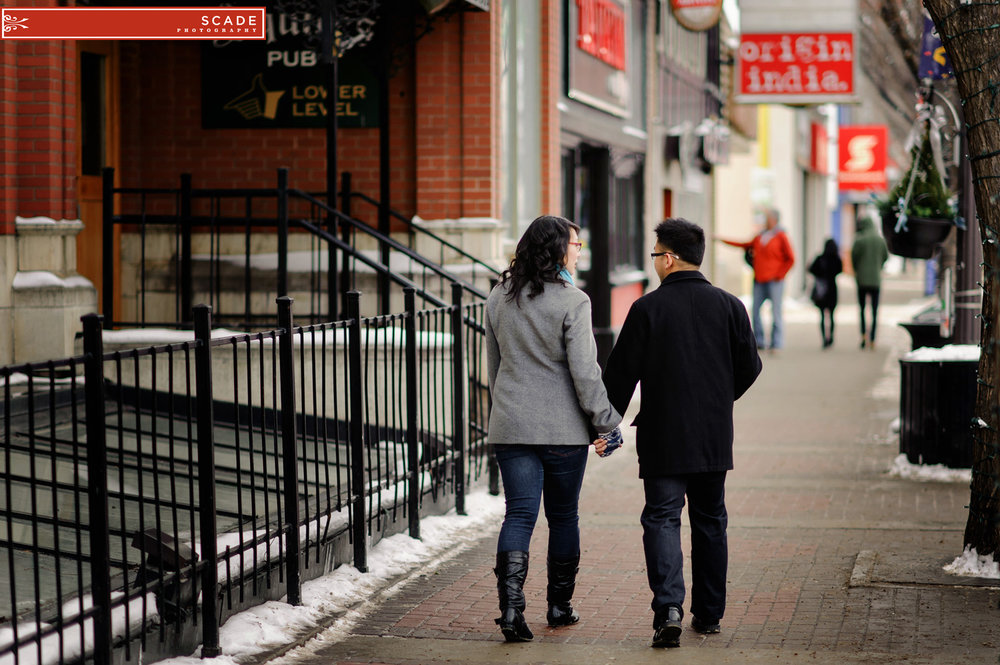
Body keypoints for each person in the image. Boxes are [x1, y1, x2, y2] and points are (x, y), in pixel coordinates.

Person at [602, 218, 762, 648]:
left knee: (661, 518)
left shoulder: (647, 309)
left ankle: (668, 608)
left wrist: (603, 423)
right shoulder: (730, 306)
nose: (654, 261)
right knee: (710, 521)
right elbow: (751, 367)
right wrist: (716, 401)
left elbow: (620, 376)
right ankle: (709, 615)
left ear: (669, 258)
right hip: (712, 436)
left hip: (663, 435)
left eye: (656, 254)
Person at [484, 214, 623, 643]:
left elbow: (495, 367)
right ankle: (559, 606)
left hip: (511, 426)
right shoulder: (573, 300)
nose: (580, 251)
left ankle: (511, 611)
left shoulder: (498, 296)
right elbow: (585, 371)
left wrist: (506, 408)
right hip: (562, 431)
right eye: (575, 244)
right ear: (557, 249)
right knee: (563, 516)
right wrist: (606, 422)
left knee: (519, 514)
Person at [716, 208, 795, 352]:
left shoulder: (781, 236)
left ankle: (776, 343)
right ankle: (759, 340)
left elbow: (790, 259)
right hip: (759, 279)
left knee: (776, 312)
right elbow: (744, 245)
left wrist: (780, 275)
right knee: (755, 311)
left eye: (767, 218)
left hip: (775, 281)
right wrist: (722, 240)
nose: (765, 221)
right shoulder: (760, 236)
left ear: (774, 220)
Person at [851, 216, 889, 350]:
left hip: (861, 280)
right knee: (874, 310)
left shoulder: (859, 240)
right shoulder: (880, 240)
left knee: (862, 309)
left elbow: (853, 258)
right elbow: (885, 257)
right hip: (875, 280)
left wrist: (858, 270)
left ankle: (863, 336)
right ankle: (873, 338)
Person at [808, 238, 843, 349]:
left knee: (822, 316)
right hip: (832, 289)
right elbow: (840, 270)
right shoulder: (836, 259)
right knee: (832, 316)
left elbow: (811, 269)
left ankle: (824, 339)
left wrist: (820, 275)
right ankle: (831, 337)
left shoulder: (820, 258)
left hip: (821, 290)